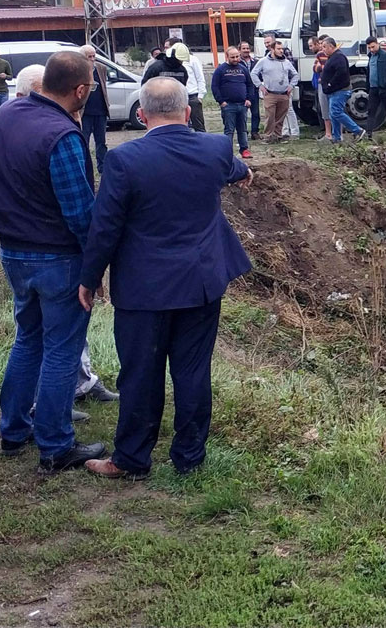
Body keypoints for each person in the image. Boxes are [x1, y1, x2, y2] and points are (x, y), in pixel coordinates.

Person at [79, 78, 253, 480]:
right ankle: (189, 458)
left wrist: (90, 278)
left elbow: (105, 227)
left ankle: (132, 460)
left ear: (141, 116)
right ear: (188, 112)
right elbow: (229, 168)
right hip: (201, 283)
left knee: (140, 373)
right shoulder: (213, 147)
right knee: (193, 372)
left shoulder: (124, 160)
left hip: (145, 289)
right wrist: (244, 171)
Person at [0, 50, 107, 474]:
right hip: (57, 259)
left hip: (13, 252)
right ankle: (56, 446)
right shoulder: (63, 136)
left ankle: (13, 430)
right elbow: (80, 213)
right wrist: (94, 269)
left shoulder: (6, 116)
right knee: (61, 350)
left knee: (28, 339)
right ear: (79, 90)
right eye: (89, 89)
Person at [250, 40, 298, 143]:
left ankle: (278, 135)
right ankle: (268, 136)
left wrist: (291, 85)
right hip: (270, 93)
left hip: (284, 94)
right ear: (272, 49)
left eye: (282, 49)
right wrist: (260, 86)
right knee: (270, 116)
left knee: (281, 116)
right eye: (279, 49)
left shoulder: (286, 62)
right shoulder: (263, 61)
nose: (281, 51)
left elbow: (295, 74)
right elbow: (253, 73)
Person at [211, 46, 254, 159]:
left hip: (242, 105)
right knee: (229, 130)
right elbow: (215, 86)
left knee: (243, 129)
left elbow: (250, 84)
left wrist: (249, 99)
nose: (235, 59)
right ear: (227, 57)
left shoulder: (243, 69)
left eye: (237, 56)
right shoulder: (220, 70)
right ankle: (228, 152)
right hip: (228, 105)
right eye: (233, 57)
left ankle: (244, 150)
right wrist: (221, 101)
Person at [319, 35, 363, 143]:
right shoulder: (333, 57)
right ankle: (337, 137)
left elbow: (341, 73)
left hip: (340, 90)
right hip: (333, 91)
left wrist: (330, 84)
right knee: (333, 114)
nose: (322, 49)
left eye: (324, 47)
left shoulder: (339, 57)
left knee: (336, 112)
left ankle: (357, 130)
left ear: (331, 46)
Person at [77, 45, 110, 174]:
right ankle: (84, 167)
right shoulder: (78, 71)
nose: (92, 59)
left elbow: (104, 86)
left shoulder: (101, 68)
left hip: (100, 111)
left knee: (101, 141)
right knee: (84, 140)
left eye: (93, 56)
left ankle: (102, 167)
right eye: (88, 56)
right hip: (85, 112)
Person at [365, 37, 386, 140]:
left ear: (377, 44)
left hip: (385, 89)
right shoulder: (370, 57)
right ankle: (369, 134)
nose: (371, 49)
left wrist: (385, 82)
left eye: (373, 47)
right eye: (369, 48)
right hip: (373, 89)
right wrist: (368, 86)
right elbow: (369, 73)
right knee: (371, 111)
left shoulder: (385, 55)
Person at [238, 42, 261, 141]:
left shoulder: (256, 62)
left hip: (254, 90)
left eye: (247, 48)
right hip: (242, 91)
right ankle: (243, 132)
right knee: (243, 113)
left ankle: (255, 132)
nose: (246, 50)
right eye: (244, 48)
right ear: (239, 50)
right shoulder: (237, 62)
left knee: (255, 113)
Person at [182, 45, 207, 132]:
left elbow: (200, 78)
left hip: (193, 96)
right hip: (179, 97)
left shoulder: (192, 60)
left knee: (198, 125)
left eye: (167, 47)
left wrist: (200, 96)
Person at [312, 51, 332, 142]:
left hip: (333, 84)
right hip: (322, 83)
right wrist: (322, 67)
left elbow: (331, 69)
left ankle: (337, 133)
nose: (322, 48)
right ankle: (328, 133)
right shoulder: (319, 55)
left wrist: (323, 67)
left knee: (335, 110)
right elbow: (315, 68)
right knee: (324, 109)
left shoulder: (336, 56)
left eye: (324, 46)